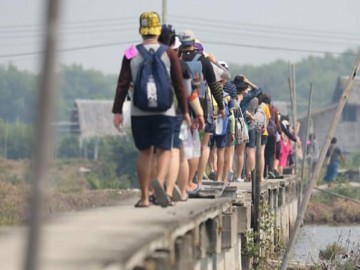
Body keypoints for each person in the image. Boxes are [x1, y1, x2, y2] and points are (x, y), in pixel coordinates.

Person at [112, 12, 191, 208]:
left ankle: (144, 197)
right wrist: (185, 111)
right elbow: (179, 85)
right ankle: (159, 184)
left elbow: (123, 82)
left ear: (141, 30)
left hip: (140, 110)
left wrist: (117, 111)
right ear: (157, 30)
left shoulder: (130, 51)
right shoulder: (169, 53)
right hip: (165, 111)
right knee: (164, 150)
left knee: (145, 151)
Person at [178, 30, 225, 190]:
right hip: (202, 105)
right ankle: (196, 181)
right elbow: (214, 84)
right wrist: (222, 106)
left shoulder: (175, 59)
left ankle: (180, 181)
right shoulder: (203, 61)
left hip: (180, 105)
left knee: (181, 145)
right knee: (201, 147)